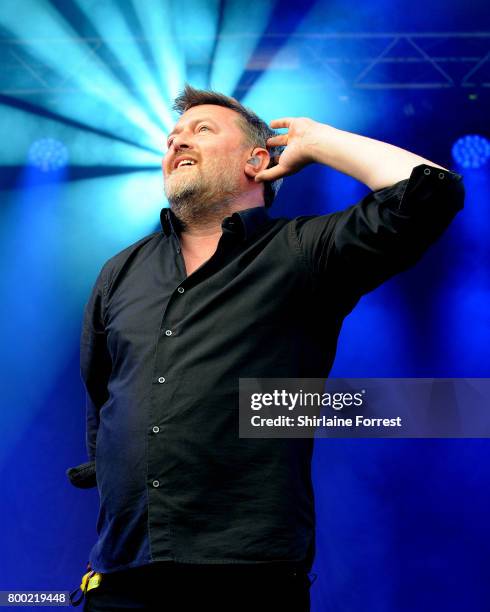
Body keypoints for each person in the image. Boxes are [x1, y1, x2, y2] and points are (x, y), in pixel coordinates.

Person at [68, 84, 465, 611]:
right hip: (122, 577)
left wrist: (321, 140)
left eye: (202, 130)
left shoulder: (300, 252)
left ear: (258, 160)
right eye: (172, 137)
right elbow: (105, 402)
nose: (178, 143)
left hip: (248, 578)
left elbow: (433, 193)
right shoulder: (120, 272)